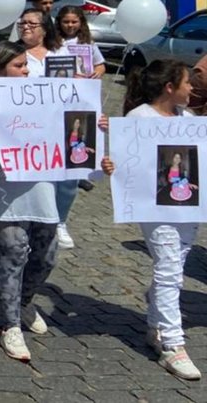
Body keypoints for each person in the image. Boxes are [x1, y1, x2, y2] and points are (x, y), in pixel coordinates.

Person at [99, 59, 201, 379]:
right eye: (187, 82)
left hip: (188, 206)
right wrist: (113, 165)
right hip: (154, 208)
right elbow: (127, 159)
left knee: (175, 264)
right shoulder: (139, 117)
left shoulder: (191, 117)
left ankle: (156, 321)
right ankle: (173, 343)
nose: (192, 87)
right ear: (170, 87)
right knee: (170, 266)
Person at [0, 42, 62, 363]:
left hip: (40, 184)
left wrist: (95, 126)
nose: (26, 71)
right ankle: (10, 325)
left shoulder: (42, 96)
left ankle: (24, 301)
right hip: (0, 190)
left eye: (26, 65)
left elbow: (66, 129)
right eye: (19, 66)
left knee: (48, 254)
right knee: (14, 251)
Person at [16, 7, 77, 250]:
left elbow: (77, 86)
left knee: (68, 180)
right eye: (22, 24)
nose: (25, 27)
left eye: (31, 24)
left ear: (44, 28)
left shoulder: (60, 52)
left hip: (60, 122)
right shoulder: (15, 53)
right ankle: (34, 224)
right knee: (35, 178)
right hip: (28, 126)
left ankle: (60, 220)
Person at [56, 6, 106, 79]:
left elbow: (100, 65)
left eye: (74, 22)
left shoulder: (88, 42)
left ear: (81, 23)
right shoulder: (52, 41)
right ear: (59, 22)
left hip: (82, 85)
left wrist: (98, 72)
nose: (70, 25)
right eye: (66, 22)